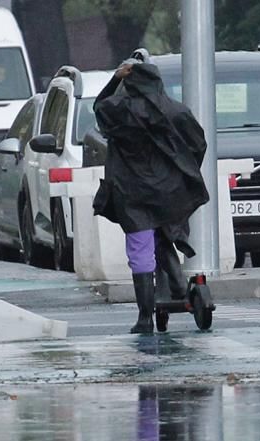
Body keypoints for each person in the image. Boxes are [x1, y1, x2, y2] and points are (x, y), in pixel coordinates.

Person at [93, 58, 209, 334]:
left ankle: (145, 318)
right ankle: (179, 285)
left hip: (132, 192)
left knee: (141, 251)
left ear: (130, 82)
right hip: (169, 191)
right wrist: (182, 170)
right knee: (166, 233)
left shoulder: (119, 110)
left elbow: (99, 107)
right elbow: (198, 144)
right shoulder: (176, 111)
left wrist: (115, 78)